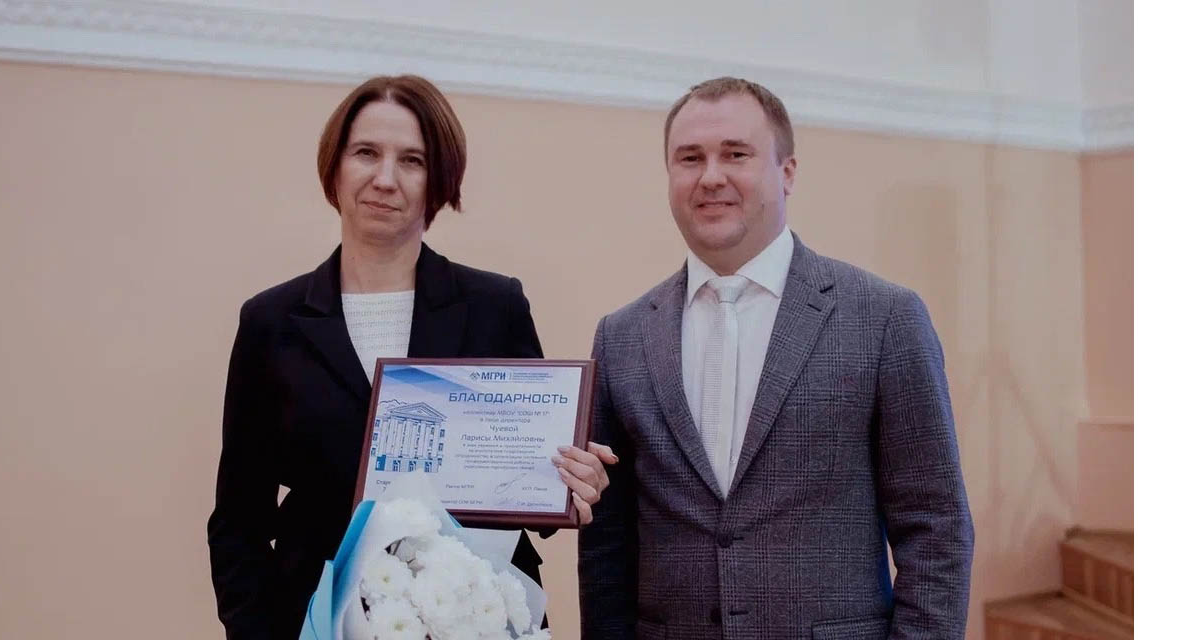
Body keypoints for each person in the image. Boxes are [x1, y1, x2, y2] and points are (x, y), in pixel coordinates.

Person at [208, 74, 616, 639]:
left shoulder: (494, 305)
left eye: (412, 160)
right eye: (366, 153)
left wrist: (573, 480)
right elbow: (238, 518)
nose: (385, 178)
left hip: (476, 615)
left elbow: (536, 479)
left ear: (438, 180)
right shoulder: (270, 321)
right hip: (318, 618)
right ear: (335, 167)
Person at [577, 77, 973, 639]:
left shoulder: (885, 318)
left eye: (735, 154)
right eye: (690, 158)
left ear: (787, 172)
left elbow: (936, 528)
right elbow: (607, 544)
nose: (710, 177)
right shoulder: (621, 336)